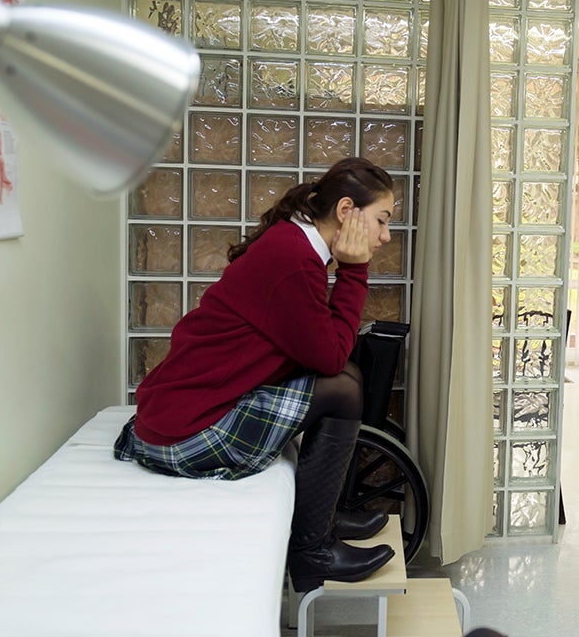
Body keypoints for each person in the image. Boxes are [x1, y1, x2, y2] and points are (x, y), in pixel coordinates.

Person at [114, 156, 397, 593]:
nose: (385, 235)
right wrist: (355, 271)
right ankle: (311, 553)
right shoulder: (294, 260)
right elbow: (331, 358)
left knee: (348, 382)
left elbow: (317, 348)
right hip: (184, 432)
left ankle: (320, 515)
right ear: (346, 211)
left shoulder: (294, 243)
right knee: (343, 387)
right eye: (381, 220)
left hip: (175, 413)